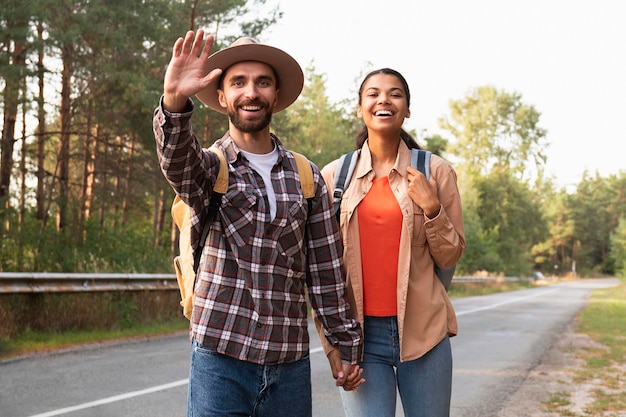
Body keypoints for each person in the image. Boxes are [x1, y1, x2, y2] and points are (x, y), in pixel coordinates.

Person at [152, 29, 364, 417]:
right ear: (222, 97)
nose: (251, 92)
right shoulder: (211, 167)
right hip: (220, 359)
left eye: (262, 82)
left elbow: (326, 274)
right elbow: (177, 161)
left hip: (290, 365)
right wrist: (174, 101)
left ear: (276, 97)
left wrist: (343, 348)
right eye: (239, 83)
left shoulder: (306, 176)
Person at [315, 68, 465, 417]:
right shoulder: (333, 177)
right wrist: (331, 344)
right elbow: (321, 271)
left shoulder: (435, 171)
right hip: (359, 339)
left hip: (425, 332)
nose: (384, 99)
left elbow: (451, 254)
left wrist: (431, 208)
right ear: (360, 107)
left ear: (407, 109)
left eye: (395, 94)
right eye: (373, 93)